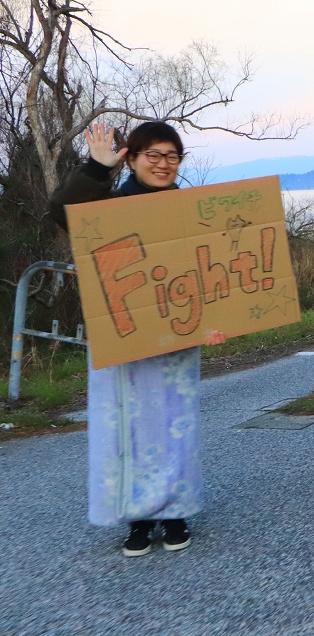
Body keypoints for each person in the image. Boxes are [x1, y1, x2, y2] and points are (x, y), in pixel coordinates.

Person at [50, 121, 225, 556]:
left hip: (176, 332)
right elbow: (63, 210)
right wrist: (94, 167)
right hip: (121, 333)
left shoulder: (192, 209)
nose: (164, 164)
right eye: (154, 155)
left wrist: (219, 319)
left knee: (174, 424)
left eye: (172, 156)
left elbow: (212, 269)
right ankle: (137, 519)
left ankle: (174, 512)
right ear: (131, 158)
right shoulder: (108, 206)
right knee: (123, 425)